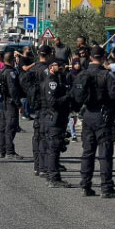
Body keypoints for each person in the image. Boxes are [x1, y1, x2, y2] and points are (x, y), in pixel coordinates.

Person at [71, 45, 115, 198]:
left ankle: (85, 185)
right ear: (102, 58)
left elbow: (75, 95)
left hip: (87, 115)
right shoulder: (107, 75)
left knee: (87, 152)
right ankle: (106, 187)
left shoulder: (83, 74)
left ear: (90, 58)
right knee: (105, 154)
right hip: (103, 116)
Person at [43, 58, 72, 188]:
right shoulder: (51, 81)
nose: (61, 67)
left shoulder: (58, 79)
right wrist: (68, 96)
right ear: (51, 67)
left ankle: (52, 176)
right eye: (58, 65)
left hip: (59, 118)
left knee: (55, 148)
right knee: (53, 149)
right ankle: (53, 178)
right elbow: (52, 102)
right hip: (54, 118)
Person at [29, 45, 51, 176]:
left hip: (35, 104)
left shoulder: (33, 68)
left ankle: (37, 166)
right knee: (44, 137)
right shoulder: (46, 70)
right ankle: (43, 167)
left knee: (37, 136)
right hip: (45, 105)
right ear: (48, 55)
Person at [0, 52, 24, 160]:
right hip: (10, 102)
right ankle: (10, 151)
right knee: (10, 126)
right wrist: (18, 104)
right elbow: (13, 89)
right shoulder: (10, 72)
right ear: (12, 60)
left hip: (2, 101)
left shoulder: (1, 70)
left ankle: (2, 150)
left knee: (2, 126)